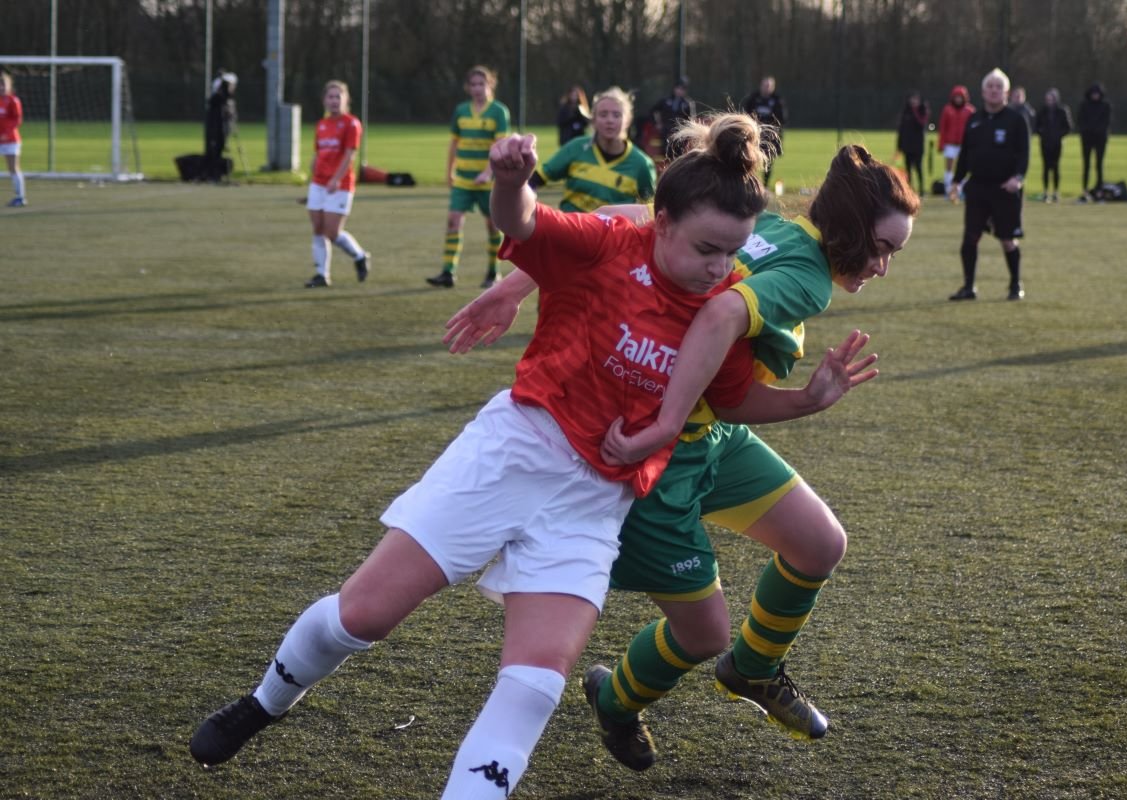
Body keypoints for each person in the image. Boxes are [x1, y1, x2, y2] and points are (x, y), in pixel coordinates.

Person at [190, 115, 801, 799]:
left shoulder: (724, 305)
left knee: (535, 687)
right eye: (707, 248)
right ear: (660, 222)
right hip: (515, 451)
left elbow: (737, 396)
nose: (722, 267)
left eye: (734, 252)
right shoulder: (606, 246)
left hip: (599, 499)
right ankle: (265, 701)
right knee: (363, 615)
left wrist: (813, 397)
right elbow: (529, 220)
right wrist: (510, 181)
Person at [445, 142, 919, 771]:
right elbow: (723, 311)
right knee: (704, 634)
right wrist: (670, 418)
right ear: (853, 229)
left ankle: (753, 670)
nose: (883, 266)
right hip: (663, 459)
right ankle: (614, 699)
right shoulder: (806, 277)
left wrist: (515, 286)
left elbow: (624, 214)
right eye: (883, 248)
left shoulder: (773, 223)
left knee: (820, 544)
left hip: (713, 437)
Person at [948, 68, 1029, 302]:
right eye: (989, 86)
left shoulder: (1016, 120)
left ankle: (1015, 284)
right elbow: (965, 155)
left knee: (1007, 239)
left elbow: (1024, 153)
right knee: (970, 239)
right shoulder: (974, 120)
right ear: (983, 92)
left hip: (1005, 189)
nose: (994, 90)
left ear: (1006, 92)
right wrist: (956, 181)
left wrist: (1018, 178)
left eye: (998, 87)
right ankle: (969, 287)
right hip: (977, 189)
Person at [427, 66, 511, 290]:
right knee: (453, 221)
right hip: (463, 179)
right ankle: (448, 272)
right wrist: (449, 171)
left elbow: (499, 145)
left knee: (493, 226)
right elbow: (454, 143)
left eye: (481, 84)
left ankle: (494, 272)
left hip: (488, 182)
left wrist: (487, 172)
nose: (476, 89)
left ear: (490, 85)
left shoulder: (499, 112)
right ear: (467, 87)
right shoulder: (461, 111)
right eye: (473, 84)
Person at [533, 86, 656, 213]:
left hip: (613, 233)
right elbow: (538, 177)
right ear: (593, 120)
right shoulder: (576, 147)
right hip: (570, 231)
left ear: (628, 120)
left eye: (616, 115)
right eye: (603, 114)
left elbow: (651, 211)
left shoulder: (642, 164)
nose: (610, 120)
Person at [303, 80, 371, 288]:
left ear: (346, 100)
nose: (333, 101)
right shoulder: (321, 124)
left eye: (337, 96)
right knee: (317, 229)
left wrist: (336, 179)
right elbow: (318, 153)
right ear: (324, 100)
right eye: (330, 97)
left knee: (331, 232)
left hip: (340, 185)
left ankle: (359, 256)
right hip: (318, 184)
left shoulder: (351, 123)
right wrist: (311, 180)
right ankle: (321, 275)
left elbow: (350, 154)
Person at [740, 76, 787, 185]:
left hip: (770, 136)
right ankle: (750, 184)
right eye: (765, 85)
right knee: (750, 159)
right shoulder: (753, 98)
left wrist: (774, 131)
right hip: (754, 134)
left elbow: (782, 119)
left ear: (773, 87)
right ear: (761, 86)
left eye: (769, 86)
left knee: (768, 161)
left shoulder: (777, 100)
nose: (767, 88)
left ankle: (765, 185)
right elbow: (745, 115)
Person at [1034, 88, 1073, 202]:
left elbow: (1068, 127)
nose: (1049, 101)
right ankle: (1046, 192)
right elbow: (1036, 126)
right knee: (1045, 167)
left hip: (1057, 144)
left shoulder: (1062, 111)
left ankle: (1055, 192)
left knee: (1056, 167)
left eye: (1051, 98)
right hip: (1045, 143)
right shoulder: (1042, 111)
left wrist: (1059, 135)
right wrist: (1043, 134)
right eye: (1047, 99)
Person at [936, 85, 974, 197]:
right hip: (950, 143)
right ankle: (948, 189)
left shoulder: (970, 110)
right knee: (949, 168)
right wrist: (941, 143)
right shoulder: (947, 109)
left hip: (964, 144)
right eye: (956, 97)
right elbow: (943, 127)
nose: (958, 99)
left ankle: (961, 190)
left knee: (964, 167)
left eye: (960, 97)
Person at [1077, 82, 1112, 201]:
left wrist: (1098, 131)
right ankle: (1085, 190)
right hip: (1087, 139)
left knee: (1099, 165)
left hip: (1100, 139)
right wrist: (1086, 131)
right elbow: (1080, 121)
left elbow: (1106, 122)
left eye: (1097, 94)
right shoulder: (1084, 105)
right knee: (1086, 165)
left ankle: (1099, 191)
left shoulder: (1105, 106)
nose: (1095, 96)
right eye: (1093, 94)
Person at [204, 71, 237, 182]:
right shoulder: (217, 99)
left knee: (219, 151)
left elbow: (230, 115)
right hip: (216, 131)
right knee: (214, 151)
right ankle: (213, 174)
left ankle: (217, 174)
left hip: (223, 130)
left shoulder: (228, 100)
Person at [652, 79, 696, 161]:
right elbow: (654, 110)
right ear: (674, 88)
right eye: (678, 88)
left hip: (680, 131)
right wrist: (658, 123)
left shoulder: (687, 103)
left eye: (682, 89)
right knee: (666, 150)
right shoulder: (666, 100)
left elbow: (691, 119)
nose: (679, 91)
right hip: (666, 130)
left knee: (678, 151)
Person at [1, 70, 27, 208]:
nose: (1, 87)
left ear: (9, 86)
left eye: (3, 84)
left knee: (13, 168)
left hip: (11, 140)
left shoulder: (13, 100)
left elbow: (17, 120)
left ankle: (20, 197)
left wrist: (6, 132)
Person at [896, 90, 929, 195]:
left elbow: (921, 124)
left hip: (918, 145)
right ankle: (909, 188)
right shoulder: (905, 112)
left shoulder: (923, 111)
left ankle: (921, 189)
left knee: (918, 167)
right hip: (907, 145)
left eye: (916, 99)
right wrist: (899, 146)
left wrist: (915, 112)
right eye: (912, 99)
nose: (914, 101)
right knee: (908, 168)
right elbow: (901, 130)